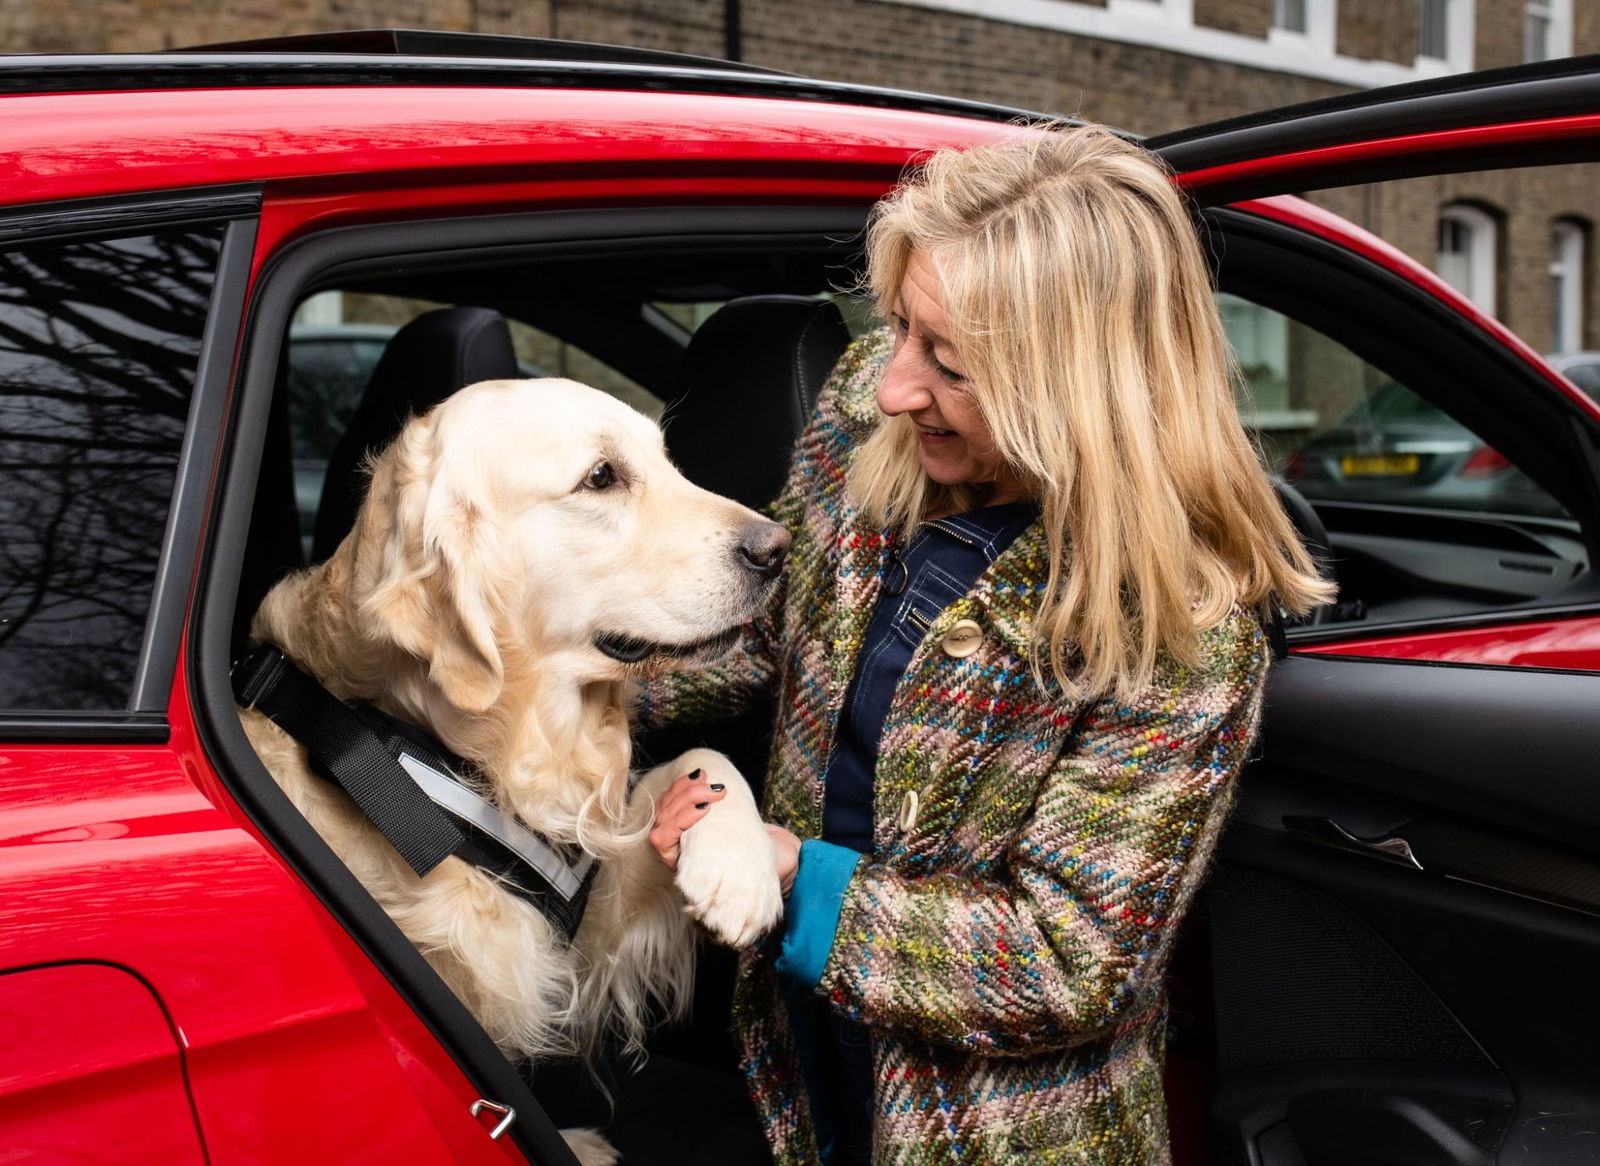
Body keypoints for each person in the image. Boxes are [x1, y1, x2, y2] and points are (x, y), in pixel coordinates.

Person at [639, 123, 1333, 1166]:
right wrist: (525, 681)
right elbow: (769, 636)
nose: (892, 386)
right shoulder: (871, 410)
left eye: (949, 362)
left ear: (1075, 394)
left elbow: (1069, 960)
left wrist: (785, 875)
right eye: (900, 326)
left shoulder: (1182, 625)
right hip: (798, 1052)